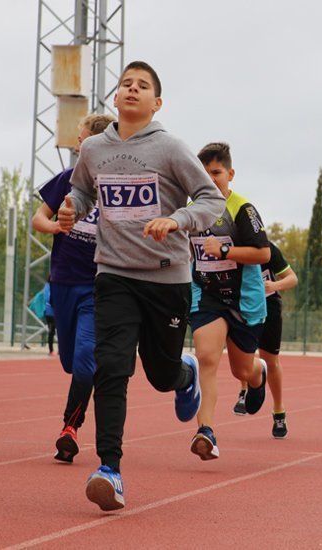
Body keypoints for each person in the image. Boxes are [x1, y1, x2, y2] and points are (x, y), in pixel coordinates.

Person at [58, 61, 225, 510]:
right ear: (115, 97)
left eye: (143, 86)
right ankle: (109, 470)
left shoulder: (170, 148)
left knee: (159, 373)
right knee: (111, 367)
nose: (132, 89)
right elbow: (82, 191)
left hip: (166, 278)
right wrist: (72, 208)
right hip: (113, 275)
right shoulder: (93, 148)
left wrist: (177, 219)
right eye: (126, 84)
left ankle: (183, 374)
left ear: (157, 102)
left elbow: (212, 199)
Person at [33, 112, 114, 463]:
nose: (77, 145)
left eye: (81, 140)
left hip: (96, 287)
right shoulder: (67, 180)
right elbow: (39, 217)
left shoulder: (114, 187)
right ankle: (72, 420)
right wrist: (56, 227)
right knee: (69, 361)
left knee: (84, 364)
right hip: (62, 282)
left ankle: (70, 428)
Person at [189, 142, 271, 460]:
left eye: (216, 173)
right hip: (206, 296)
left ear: (230, 174)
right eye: (203, 174)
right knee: (207, 358)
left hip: (244, 302)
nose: (210, 180)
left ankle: (257, 373)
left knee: (241, 371)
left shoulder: (242, 209)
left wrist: (224, 251)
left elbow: (263, 253)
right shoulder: (191, 210)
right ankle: (205, 431)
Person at [231, 241, 299, 439]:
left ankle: (279, 411)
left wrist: (274, 285)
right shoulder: (229, 247)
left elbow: (292, 278)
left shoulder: (267, 249)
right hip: (242, 306)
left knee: (270, 360)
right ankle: (244, 391)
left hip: (269, 306)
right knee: (243, 353)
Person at [29, 281, 56, 356]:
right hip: (50, 312)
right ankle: (51, 350)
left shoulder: (60, 284)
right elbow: (48, 298)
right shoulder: (48, 286)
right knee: (52, 331)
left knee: (61, 331)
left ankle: (62, 350)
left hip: (58, 311)